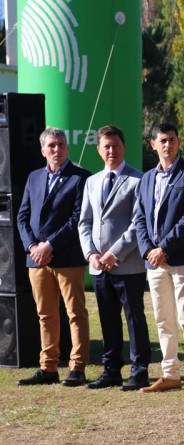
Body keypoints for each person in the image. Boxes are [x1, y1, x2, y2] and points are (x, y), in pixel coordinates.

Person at [134, 123, 184, 394]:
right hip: (154, 262)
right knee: (163, 319)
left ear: (179, 142)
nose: (168, 145)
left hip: (181, 259)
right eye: (163, 140)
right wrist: (147, 250)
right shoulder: (146, 179)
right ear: (153, 144)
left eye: (172, 140)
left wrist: (163, 249)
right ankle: (170, 375)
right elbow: (139, 218)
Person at [15, 128, 91, 387]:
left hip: (67, 257)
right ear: (43, 150)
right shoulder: (34, 177)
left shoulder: (80, 178)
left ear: (67, 148)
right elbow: (22, 216)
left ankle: (77, 368)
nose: (56, 149)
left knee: (75, 314)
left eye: (61, 145)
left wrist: (49, 245)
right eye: (52, 145)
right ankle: (48, 368)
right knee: (45, 315)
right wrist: (32, 247)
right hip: (36, 260)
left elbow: (78, 218)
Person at [78, 125, 151, 391]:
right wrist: (91, 253)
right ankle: (111, 371)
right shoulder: (92, 182)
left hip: (128, 265)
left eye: (116, 146)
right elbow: (85, 222)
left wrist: (114, 253)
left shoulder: (138, 180)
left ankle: (139, 371)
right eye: (106, 146)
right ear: (99, 150)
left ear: (124, 147)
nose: (112, 151)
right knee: (108, 321)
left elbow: (138, 224)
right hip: (99, 267)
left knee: (134, 319)